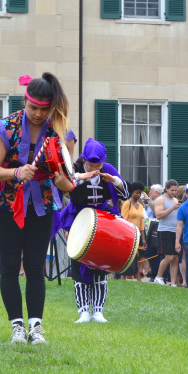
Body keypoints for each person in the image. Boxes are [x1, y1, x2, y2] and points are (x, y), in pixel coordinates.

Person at [0, 72, 74, 345]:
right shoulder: (5, 127)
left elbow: (69, 181)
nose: (37, 114)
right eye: (33, 107)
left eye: (44, 109)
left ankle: (36, 327)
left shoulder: (60, 133)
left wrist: (62, 182)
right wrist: (16, 172)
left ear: (52, 107)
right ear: (24, 100)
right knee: (9, 265)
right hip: (7, 205)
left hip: (43, 204)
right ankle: (17, 328)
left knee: (35, 266)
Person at [58, 138, 127, 323]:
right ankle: (83, 312)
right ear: (84, 160)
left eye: (98, 164)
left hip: (103, 219)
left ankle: (98, 311)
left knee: (101, 266)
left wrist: (115, 181)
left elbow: (125, 195)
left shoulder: (108, 169)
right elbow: (63, 188)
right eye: (90, 164)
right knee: (79, 265)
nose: (94, 167)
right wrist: (81, 177)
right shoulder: (74, 169)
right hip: (78, 218)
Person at [154, 180, 181, 286]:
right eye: (172, 190)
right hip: (164, 230)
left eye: (175, 190)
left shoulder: (175, 200)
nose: (174, 192)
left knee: (175, 258)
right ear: (166, 189)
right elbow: (158, 215)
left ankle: (173, 282)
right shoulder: (161, 199)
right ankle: (158, 276)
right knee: (169, 256)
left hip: (176, 231)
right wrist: (172, 208)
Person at [121, 182, 147, 280]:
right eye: (136, 192)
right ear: (132, 192)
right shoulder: (127, 204)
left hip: (138, 235)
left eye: (140, 193)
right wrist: (128, 235)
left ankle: (136, 276)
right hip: (128, 234)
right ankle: (124, 277)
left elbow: (141, 223)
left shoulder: (140, 206)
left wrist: (143, 238)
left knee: (138, 256)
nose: (138, 195)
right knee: (128, 256)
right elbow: (123, 220)